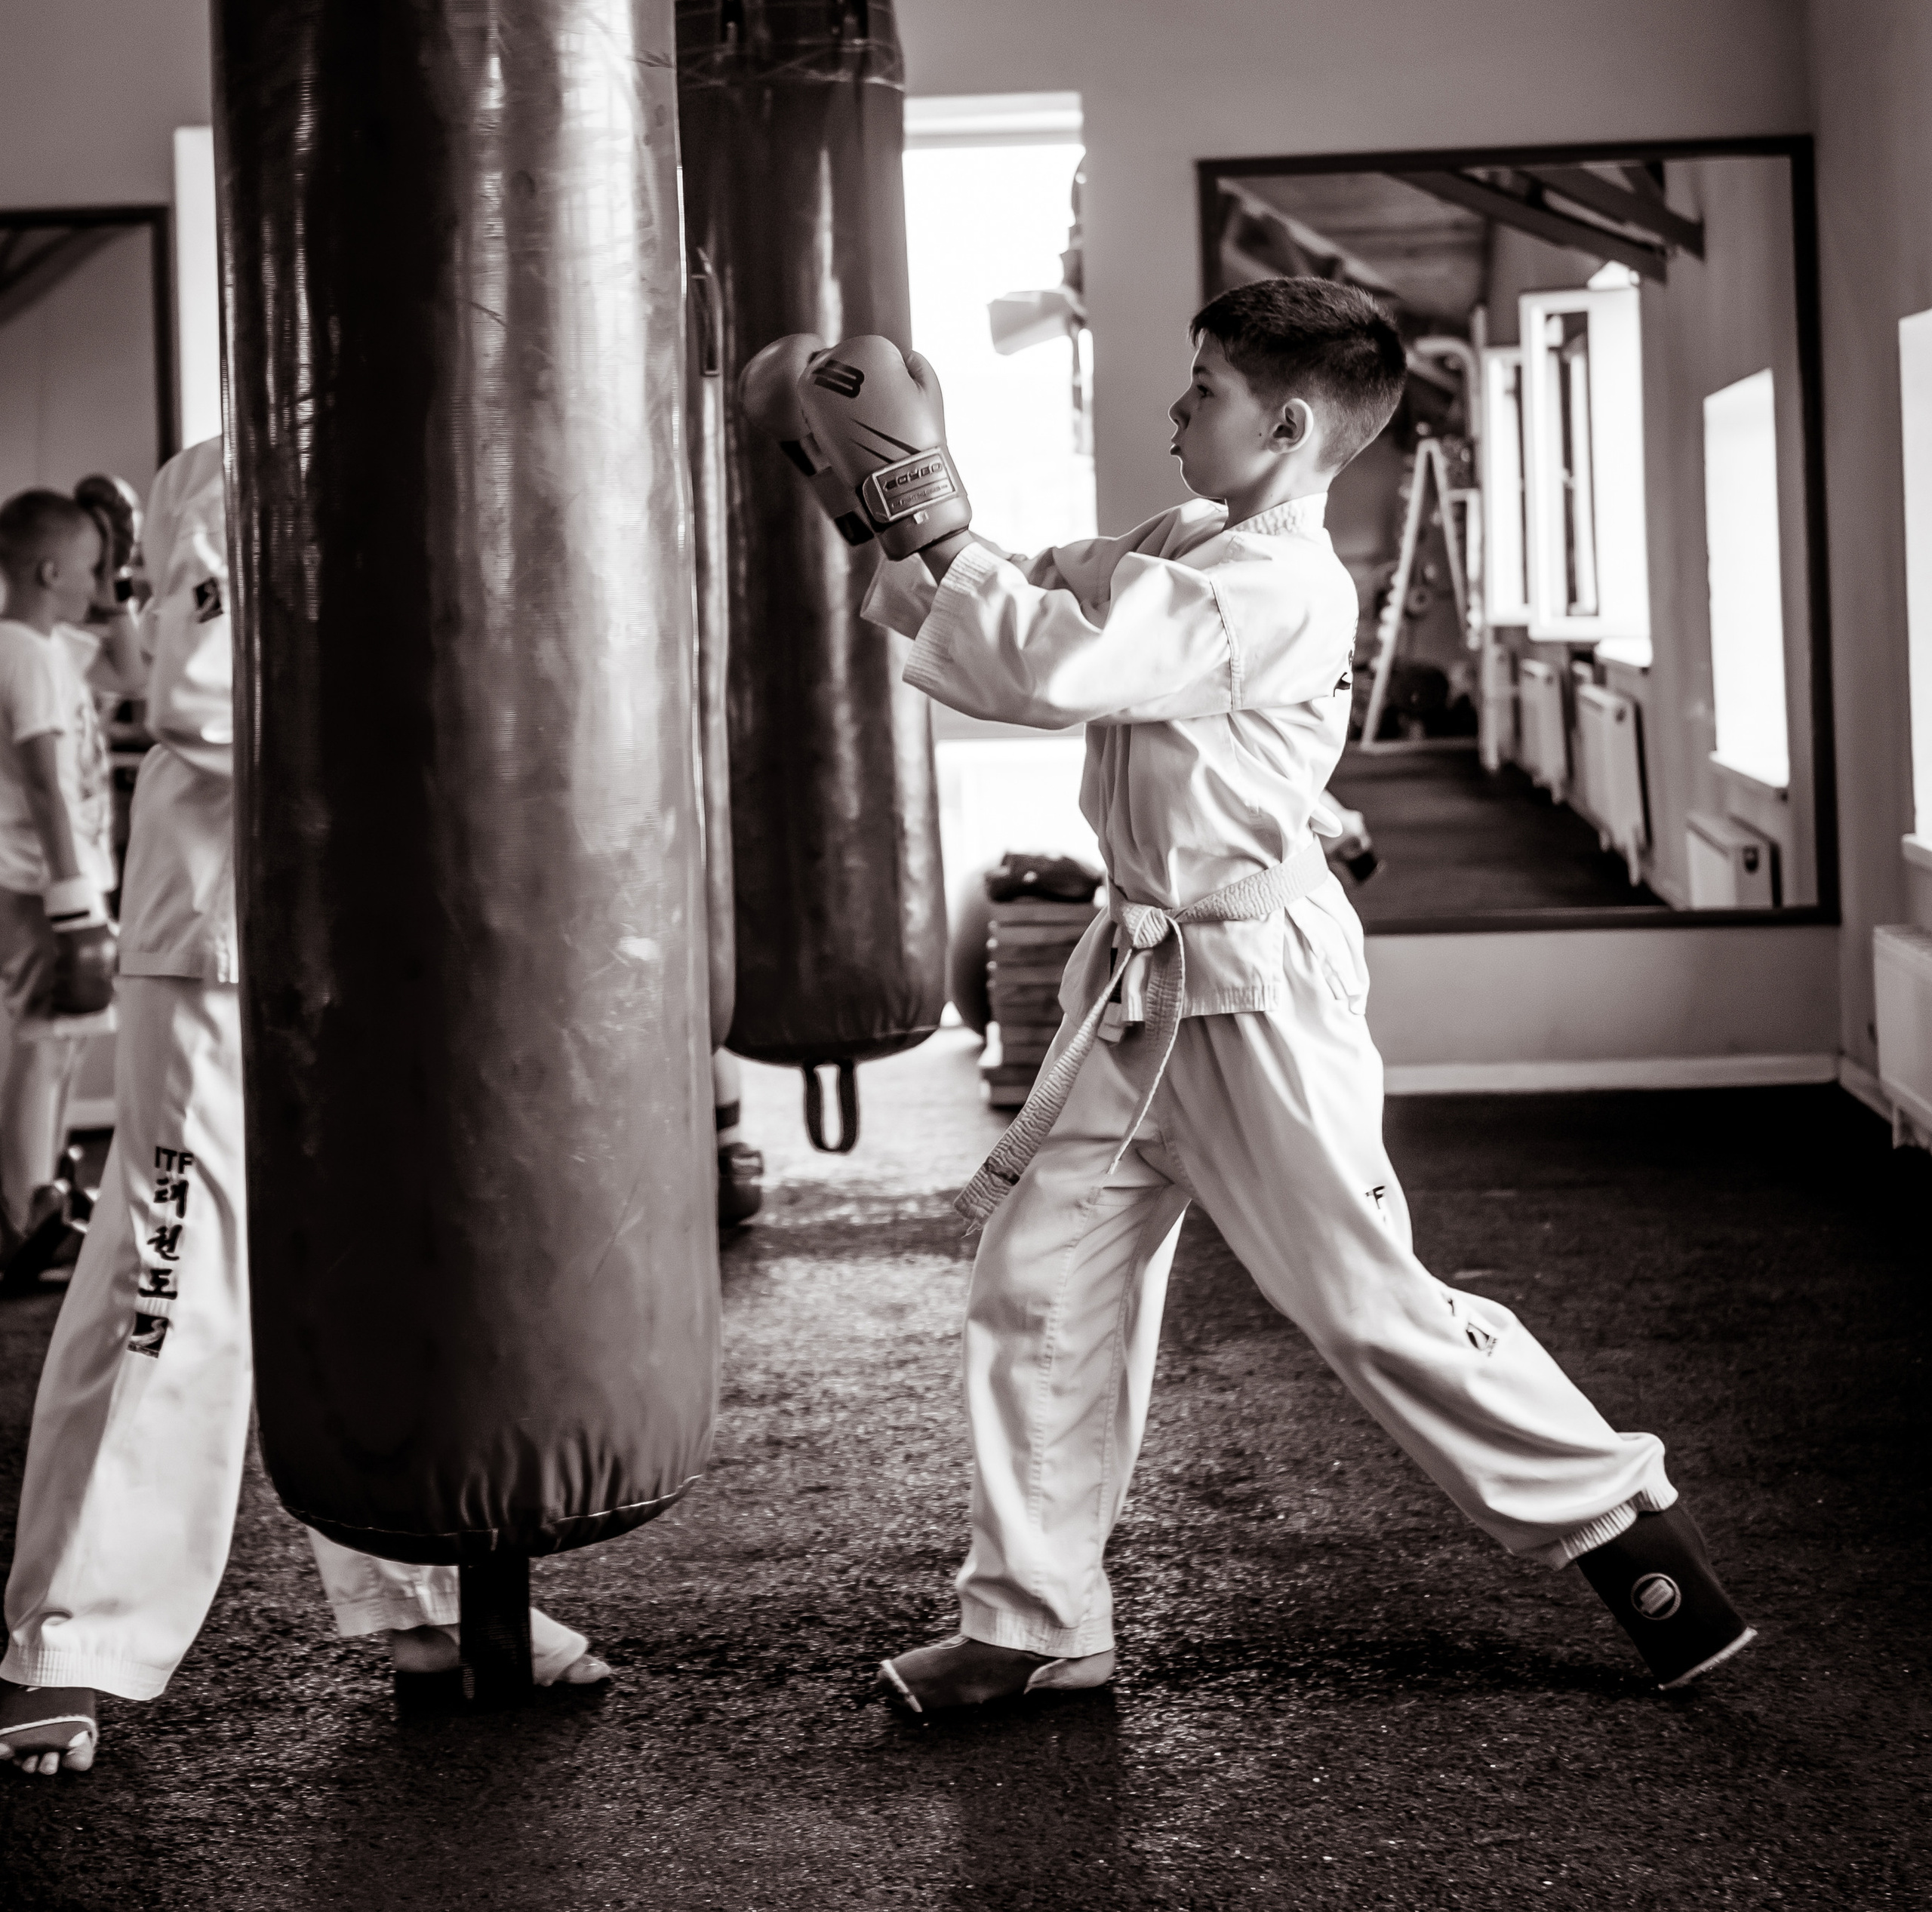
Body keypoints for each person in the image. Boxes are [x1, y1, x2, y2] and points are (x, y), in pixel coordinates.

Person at [758, 283, 1755, 1714]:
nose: (1176, 412)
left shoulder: (1282, 586)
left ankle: (1627, 1532)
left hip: (1254, 998)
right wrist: (876, 510)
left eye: (1204, 388)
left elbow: (1056, 664)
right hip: (1138, 993)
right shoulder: (1187, 542)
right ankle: (1037, 1621)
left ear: (1288, 427)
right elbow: (1030, 589)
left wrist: (913, 493)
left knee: (1366, 1309)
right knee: (1037, 1282)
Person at [0, 438, 608, 1781]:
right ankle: (68, 1640)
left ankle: (428, 1606)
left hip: (354, 943)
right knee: (173, 1280)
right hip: (214, 947)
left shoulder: (444, 434)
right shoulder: (243, 465)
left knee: (368, 1290)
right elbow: (201, 692)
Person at [0, 491, 143, 1261]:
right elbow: (43, 782)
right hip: (34, 880)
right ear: (50, 571)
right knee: (42, 1039)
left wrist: (119, 577)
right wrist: (73, 902)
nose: (99, 584)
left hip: (57, 879)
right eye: (91, 570)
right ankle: (20, 1216)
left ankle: (41, 1195)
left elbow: (136, 673)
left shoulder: (55, 646)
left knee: (61, 1041)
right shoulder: (20, 650)